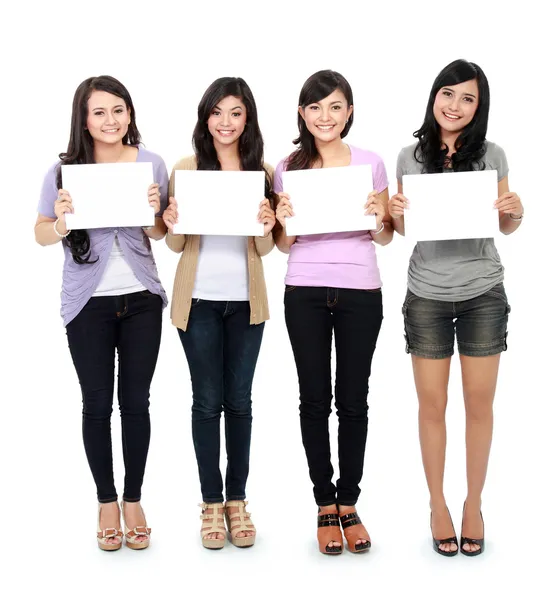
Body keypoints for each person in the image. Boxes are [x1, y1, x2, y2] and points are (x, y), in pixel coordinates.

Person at [388, 59, 523, 557]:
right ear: (434, 96)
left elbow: (504, 227)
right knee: (432, 405)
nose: (456, 105)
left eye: (468, 98)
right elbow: (405, 233)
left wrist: (516, 212)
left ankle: (473, 504)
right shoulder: (409, 156)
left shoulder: (492, 155)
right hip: (426, 292)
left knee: (479, 403)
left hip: (483, 291)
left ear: (478, 107)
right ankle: (438, 504)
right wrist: (395, 213)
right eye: (449, 94)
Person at [35, 75, 169, 551]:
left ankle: (134, 499)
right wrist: (63, 219)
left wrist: (157, 212)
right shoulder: (64, 170)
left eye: (118, 109)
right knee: (96, 403)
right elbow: (40, 233)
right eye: (99, 112)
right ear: (84, 120)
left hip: (141, 299)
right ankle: (106, 501)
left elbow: (160, 234)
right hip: (87, 303)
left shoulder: (151, 163)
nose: (110, 120)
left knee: (136, 402)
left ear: (130, 114)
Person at [274, 69, 393, 554]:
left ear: (349, 112)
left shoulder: (371, 164)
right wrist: (283, 222)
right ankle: (324, 502)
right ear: (303, 114)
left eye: (336, 106)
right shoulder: (287, 166)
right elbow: (283, 245)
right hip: (303, 288)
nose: (326, 116)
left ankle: (350, 501)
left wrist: (380, 215)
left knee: (354, 399)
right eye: (316, 107)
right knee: (313, 399)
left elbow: (385, 235)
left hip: (360, 289)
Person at [162, 77, 276, 549]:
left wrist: (268, 223)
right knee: (207, 402)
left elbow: (266, 248)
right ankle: (211, 503)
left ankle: (238, 501)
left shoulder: (262, 170)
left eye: (235, 113)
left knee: (241, 401)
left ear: (247, 119)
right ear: (204, 117)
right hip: (200, 300)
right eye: (217, 112)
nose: (225, 122)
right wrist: (170, 221)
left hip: (247, 303)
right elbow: (174, 244)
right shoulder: (187, 168)